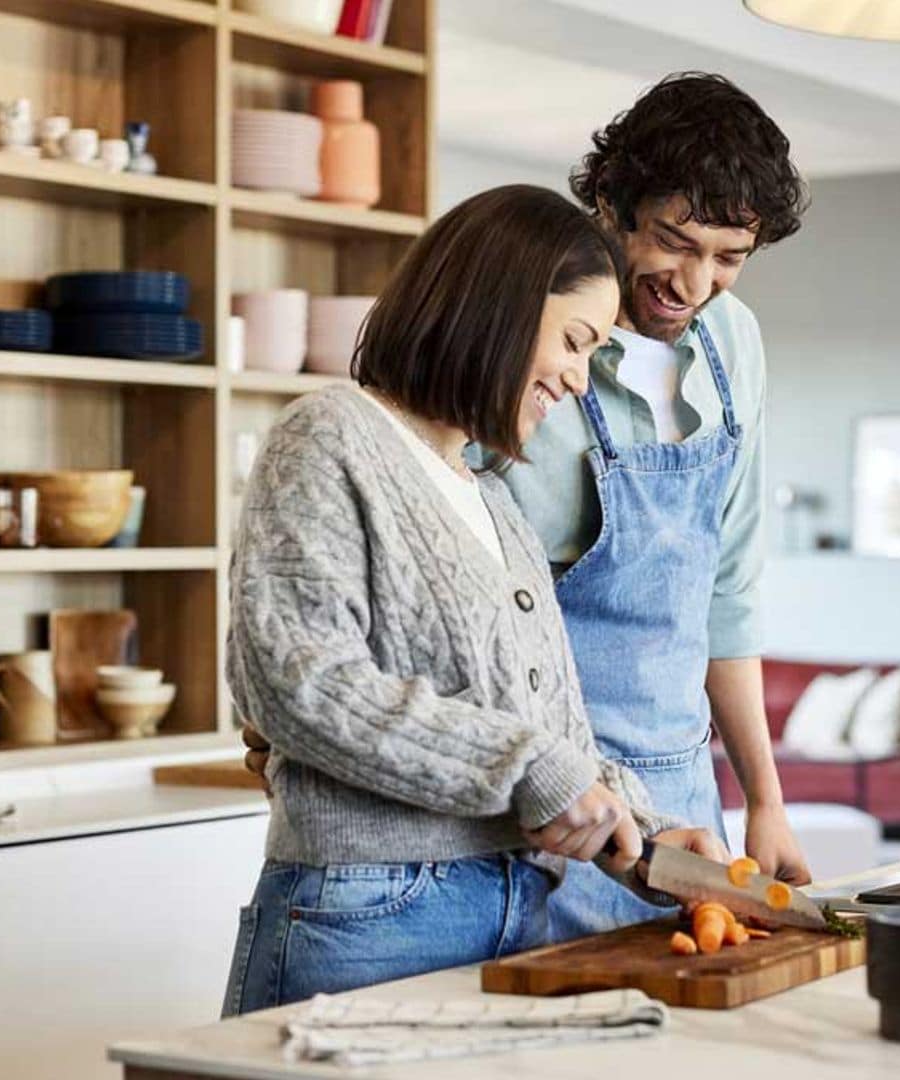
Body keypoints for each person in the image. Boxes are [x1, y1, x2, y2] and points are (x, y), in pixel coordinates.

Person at [220, 185, 724, 1016]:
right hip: (370, 914)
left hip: (516, 907)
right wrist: (532, 770)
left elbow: (547, 730)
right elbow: (296, 683)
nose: (575, 377)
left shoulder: (492, 500)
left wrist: (645, 831)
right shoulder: (329, 437)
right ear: (497, 305)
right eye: (572, 341)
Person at [500, 72, 814, 940]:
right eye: (675, 242)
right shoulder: (527, 335)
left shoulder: (731, 340)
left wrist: (765, 801)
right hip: (546, 803)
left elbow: (728, 592)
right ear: (610, 201)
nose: (695, 282)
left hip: (680, 802)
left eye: (728, 258)